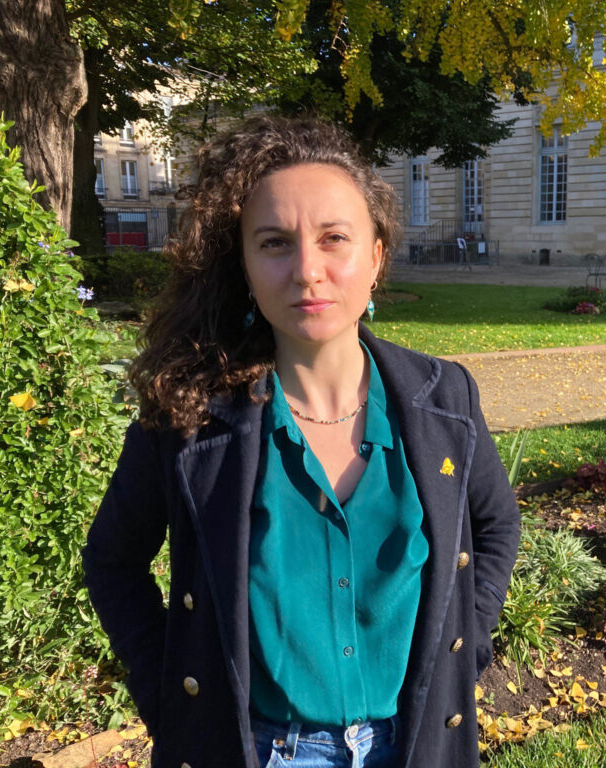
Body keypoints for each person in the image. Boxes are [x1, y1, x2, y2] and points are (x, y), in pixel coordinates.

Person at [82, 116, 521, 768]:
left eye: (334, 238)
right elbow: (114, 563)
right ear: (247, 267)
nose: (307, 270)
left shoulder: (444, 398)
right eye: (275, 243)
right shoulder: (188, 417)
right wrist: (176, 702)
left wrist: (465, 646)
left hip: (419, 744)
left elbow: (495, 527)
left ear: (375, 255)